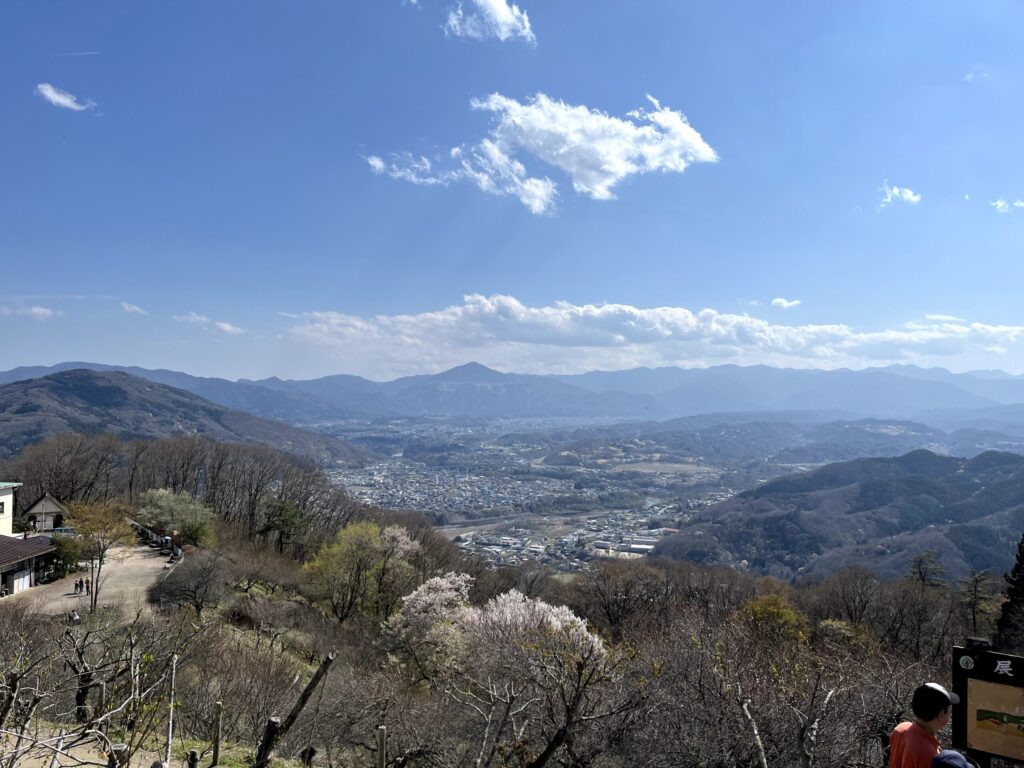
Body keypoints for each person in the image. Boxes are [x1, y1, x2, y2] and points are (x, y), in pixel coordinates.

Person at [890, 683, 960, 768]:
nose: (950, 715)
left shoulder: (901, 729)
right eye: (949, 712)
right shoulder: (930, 756)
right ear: (941, 715)